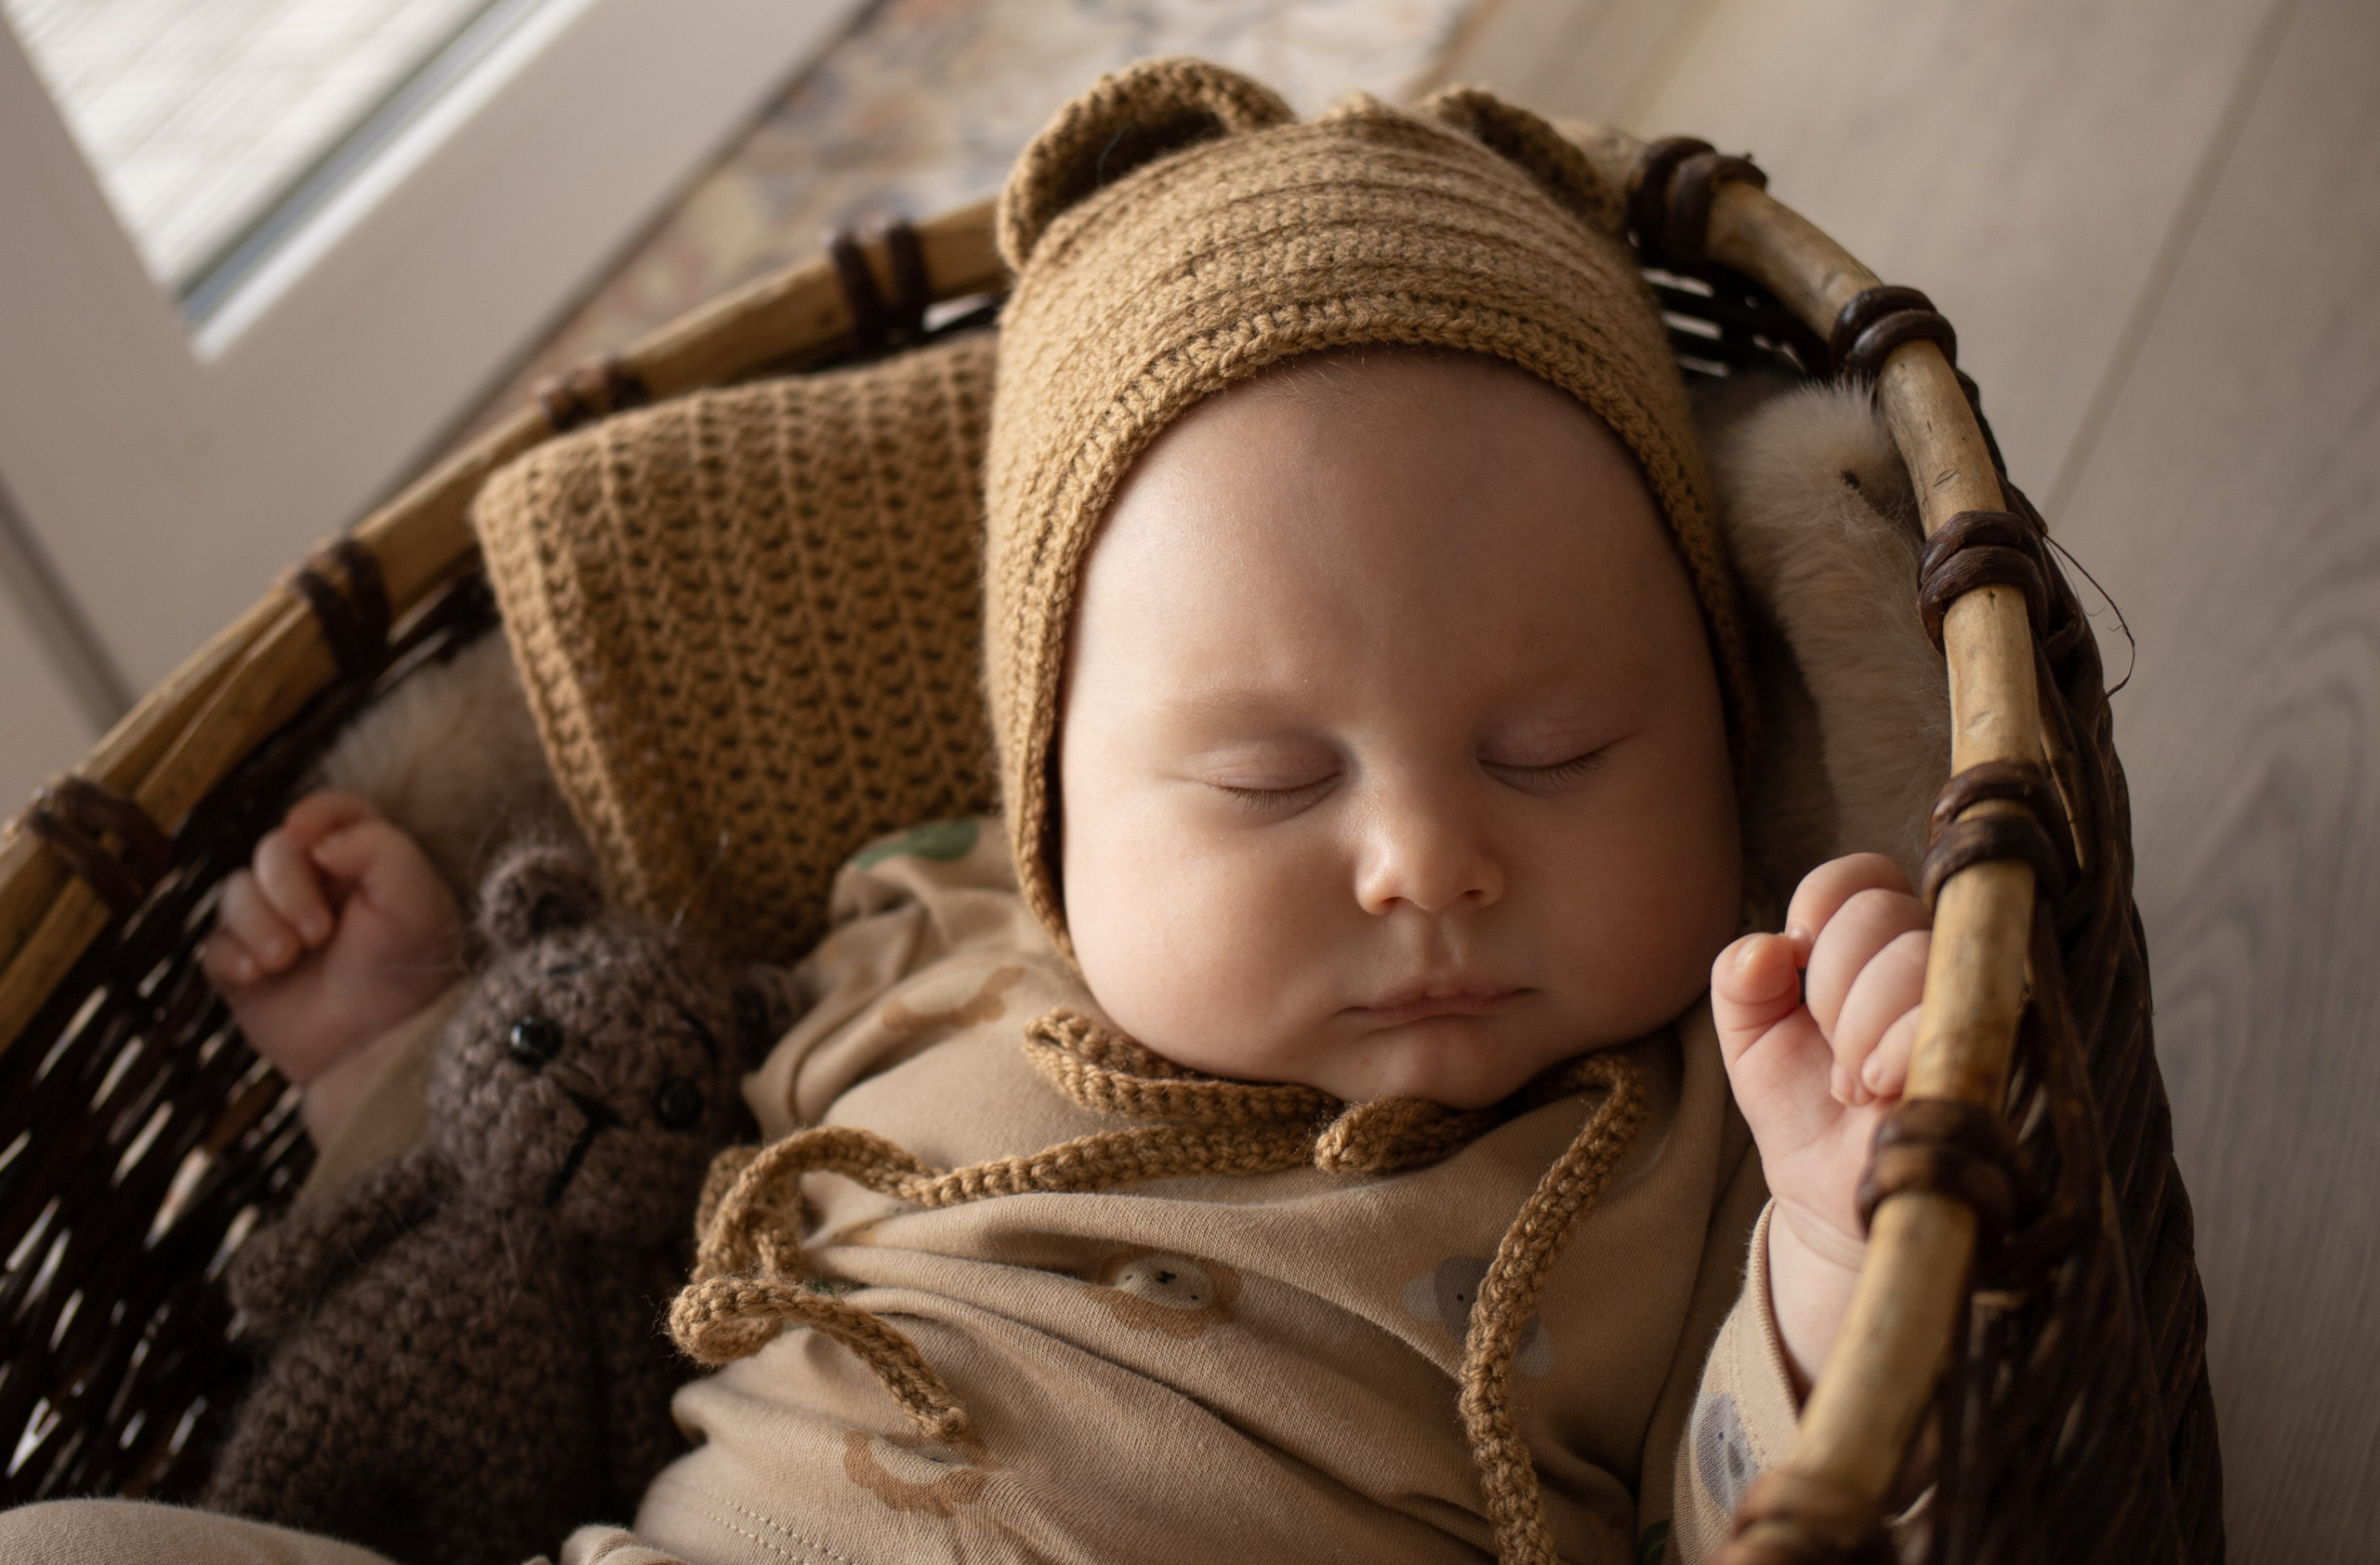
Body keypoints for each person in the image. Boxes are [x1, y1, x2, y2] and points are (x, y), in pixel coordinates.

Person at [2, 59, 1939, 1565]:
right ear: (1050, 813)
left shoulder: (1686, 1140)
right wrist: (385, 1052)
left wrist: (1836, 1254)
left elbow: (1750, 1499)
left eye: (1556, 749)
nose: (1421, 855)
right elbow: (561, 1213)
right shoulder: (915, 957)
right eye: (1269, 778)